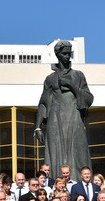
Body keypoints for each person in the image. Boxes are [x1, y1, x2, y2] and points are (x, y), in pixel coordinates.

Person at [33, 40, 94, 181]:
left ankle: (81, 183)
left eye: (69, 53)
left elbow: (88, 98)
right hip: (56, 118)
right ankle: (57, 184)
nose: (67, 56)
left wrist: (71, 85)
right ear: (57, 54)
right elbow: (43, 103)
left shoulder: (78, 75)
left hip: (74, 116)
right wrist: (37, 127)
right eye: (64, 53)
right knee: (55, 152)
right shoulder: (50, 79)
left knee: (79, 151)